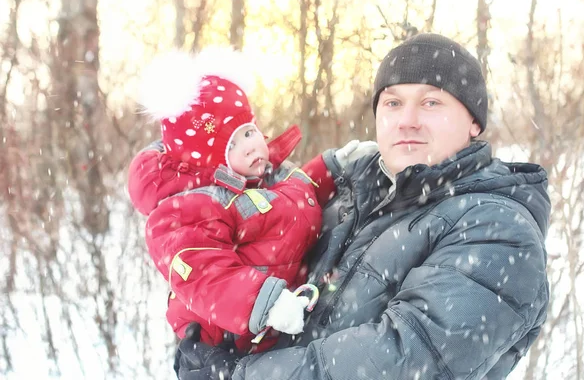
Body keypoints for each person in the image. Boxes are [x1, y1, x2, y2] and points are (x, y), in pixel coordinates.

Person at [174, 33, 551, 380]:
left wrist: (238, 374)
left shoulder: (500, 230)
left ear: (474, 122)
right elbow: (261, 255)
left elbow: (401, 360)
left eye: (431, 102)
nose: (407, 120)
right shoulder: (355, 190)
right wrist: (214, 323)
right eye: (393, 102)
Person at [127, 49, 374, 354]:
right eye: (233, 143)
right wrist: (262, 302)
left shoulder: (260, 177)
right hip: (229, 347)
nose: (251, 146)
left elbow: (291, 198)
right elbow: (203, 272)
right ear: (208, 161)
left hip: (275, 335)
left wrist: (331, 168)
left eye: (249, 131)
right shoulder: (189, 208)